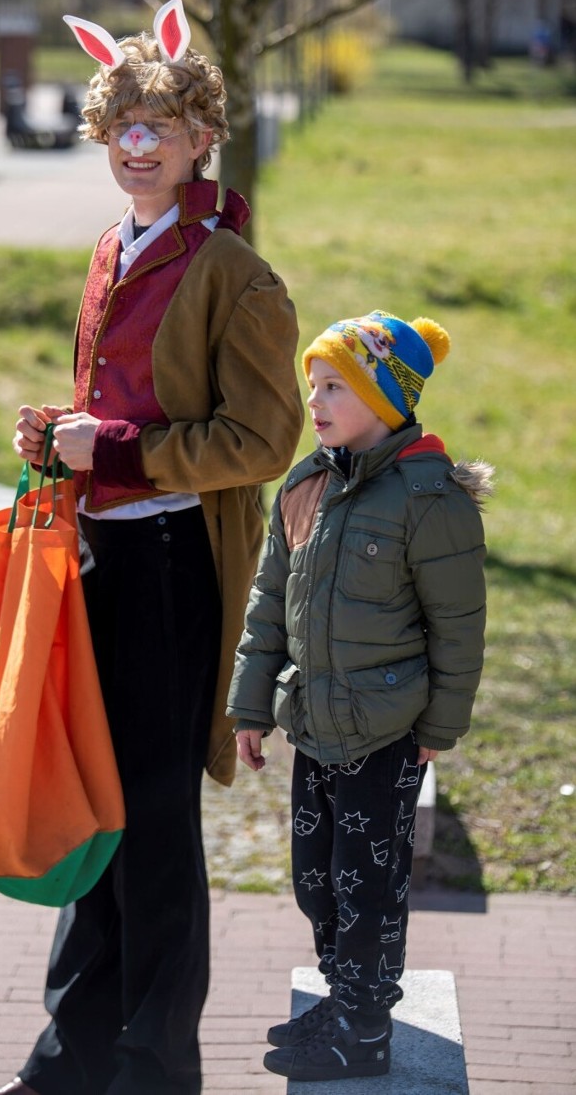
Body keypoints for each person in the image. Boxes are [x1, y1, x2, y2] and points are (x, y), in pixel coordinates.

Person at [0, 0, 303, 1095]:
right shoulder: (112, 246)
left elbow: (263, 438)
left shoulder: (235, 272)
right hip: (95, 564)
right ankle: (69, 1063)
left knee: (151, 823)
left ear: (203, 135)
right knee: (92, 809)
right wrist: (59, 437)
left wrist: (111, 447)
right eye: (122, 128)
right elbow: (119, 411)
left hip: (169, 576)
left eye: (161, 126)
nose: (138, 146)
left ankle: (155, 1071)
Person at [226, 310, 493, 1083]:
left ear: (386, 398)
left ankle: (366, 1026)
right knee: (316, 876)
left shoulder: (427, 496)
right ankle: (343, 996)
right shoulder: (306, 484)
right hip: (313, 726)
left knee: (367, 885)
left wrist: (439, 726)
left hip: (385, 732)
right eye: (313, 383)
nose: (316, 399)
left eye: (335, 384)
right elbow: (269, 602)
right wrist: (250, 707)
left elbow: (459, 624)